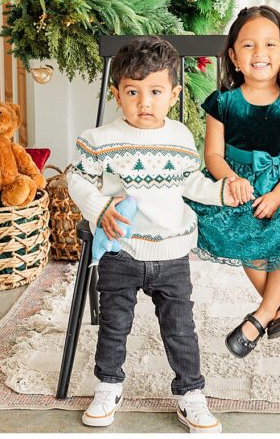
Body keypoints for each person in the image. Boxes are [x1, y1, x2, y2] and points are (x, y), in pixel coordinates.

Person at [66, 36, 238, 433]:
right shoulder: (100, 141)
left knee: (179, 327)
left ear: (174, 93)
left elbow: (191, 182)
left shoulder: (179, 136)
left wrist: (221, 192)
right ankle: (108, 385)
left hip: (172, 251)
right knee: (114, 325)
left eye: (156, 92)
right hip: (121, 251)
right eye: (133, 92)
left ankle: (190, 393)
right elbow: (78, 180)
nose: (145, 103)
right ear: (116, 94)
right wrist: (100, 208)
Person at [187, 6, 280, 358]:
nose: (260, 53)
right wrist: (230, 179)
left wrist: (277, 194)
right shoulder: (223, 102)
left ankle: (260, 316)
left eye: (270, 44)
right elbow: (212, 156)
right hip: (238, 183)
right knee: (240, 228)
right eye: (248, 46)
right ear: (233, 56)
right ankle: (278, 309)